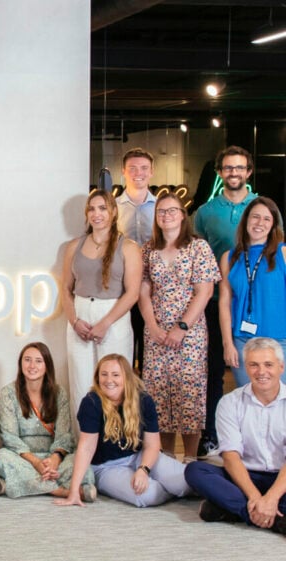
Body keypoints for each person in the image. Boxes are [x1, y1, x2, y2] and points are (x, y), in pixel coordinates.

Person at [139, 193, 220, 462]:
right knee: (158, 393)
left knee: (190, 392)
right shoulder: (149, 249)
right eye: (161, 211)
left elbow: (205, 291)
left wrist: (181, 328)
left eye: (172, 210)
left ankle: (191, 461)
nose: (166, 215)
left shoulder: (198, 247)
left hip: (191, 332)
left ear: (183, 215)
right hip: (156, 332)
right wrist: (152, 326)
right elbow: (143, 291)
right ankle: (164, 459)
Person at [55, 354, 190, 508]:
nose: (108, 380)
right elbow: (86, 448)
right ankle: (172, 490)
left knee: (185, 482)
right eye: (103, 374)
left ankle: (177, 488)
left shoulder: (144, 400)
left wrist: (144, 470)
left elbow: (152, 445)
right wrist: (73, 491)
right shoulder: (91, 402)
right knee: (147, 495)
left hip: (139, 456)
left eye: (115, 375)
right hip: (106, 466)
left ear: (127, 377)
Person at [194, 146, 259, 456]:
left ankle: (253, 439)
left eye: (240, 168)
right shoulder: (206, 212)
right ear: (220, 173)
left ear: (248, 172)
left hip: (253, 306)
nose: (234, 173)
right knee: (214, 372)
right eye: (228, 168)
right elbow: (197, 257)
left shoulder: (261, 208)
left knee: (253, 370)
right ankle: (212, 435)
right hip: (215, 302)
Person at [184, 337, 286, 535]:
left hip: (282, 478)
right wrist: (256, 498)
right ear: (246, 368)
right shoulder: (229, 403)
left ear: (281, 367)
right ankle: (274, 520)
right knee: (195, 471)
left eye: (268, 364)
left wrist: (272, 497)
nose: (261, 371)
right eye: (254, 365)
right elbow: (230, 457)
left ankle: (227, 509)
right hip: (245, 476)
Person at [61, 189, 142, 408]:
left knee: (114, 382)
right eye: (92, 209)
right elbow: (66, 289)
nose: (96, 214)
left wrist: (105, 323)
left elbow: (133, 293)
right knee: (80, 383)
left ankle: (114, 439)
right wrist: (74, 321)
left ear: (114, 212)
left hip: (113, 317)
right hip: (80, 315)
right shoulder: (73, 247)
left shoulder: (128, 247)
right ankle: (83, 440)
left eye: (102, 208)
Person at [0, 342, 95, 500]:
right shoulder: (8, 393)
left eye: (39, 361)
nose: (32, 365)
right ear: (20, 364)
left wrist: (54, 459)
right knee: (0, 457)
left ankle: (17, 485)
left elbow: (64, 435)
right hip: (22, 457)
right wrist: (36, 463)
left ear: (47, 365)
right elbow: (9, 437)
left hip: (52, 456)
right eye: (27, 360)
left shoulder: (59, 393)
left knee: (79, 460)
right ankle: (59, 490)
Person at [218, 197, 286, 387]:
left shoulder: (283, 253)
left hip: (280, 341)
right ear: (246, 220)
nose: (260, 223)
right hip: (243, 342)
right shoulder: (229, 257)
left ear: (273, 225)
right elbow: (224, 302)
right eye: (255, 217)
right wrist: (227, 343)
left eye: (266, 219)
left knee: (279, 405)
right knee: (248, 399)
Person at [115, 147, 157, 371]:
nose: (137, 173)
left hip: (155, 289)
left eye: (143, 168)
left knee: (151, 348)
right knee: (125, 348)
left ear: (152, 172)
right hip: (122, 288)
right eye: (132, 168)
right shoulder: (113, 208)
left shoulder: (162, 207)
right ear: (123, 171)